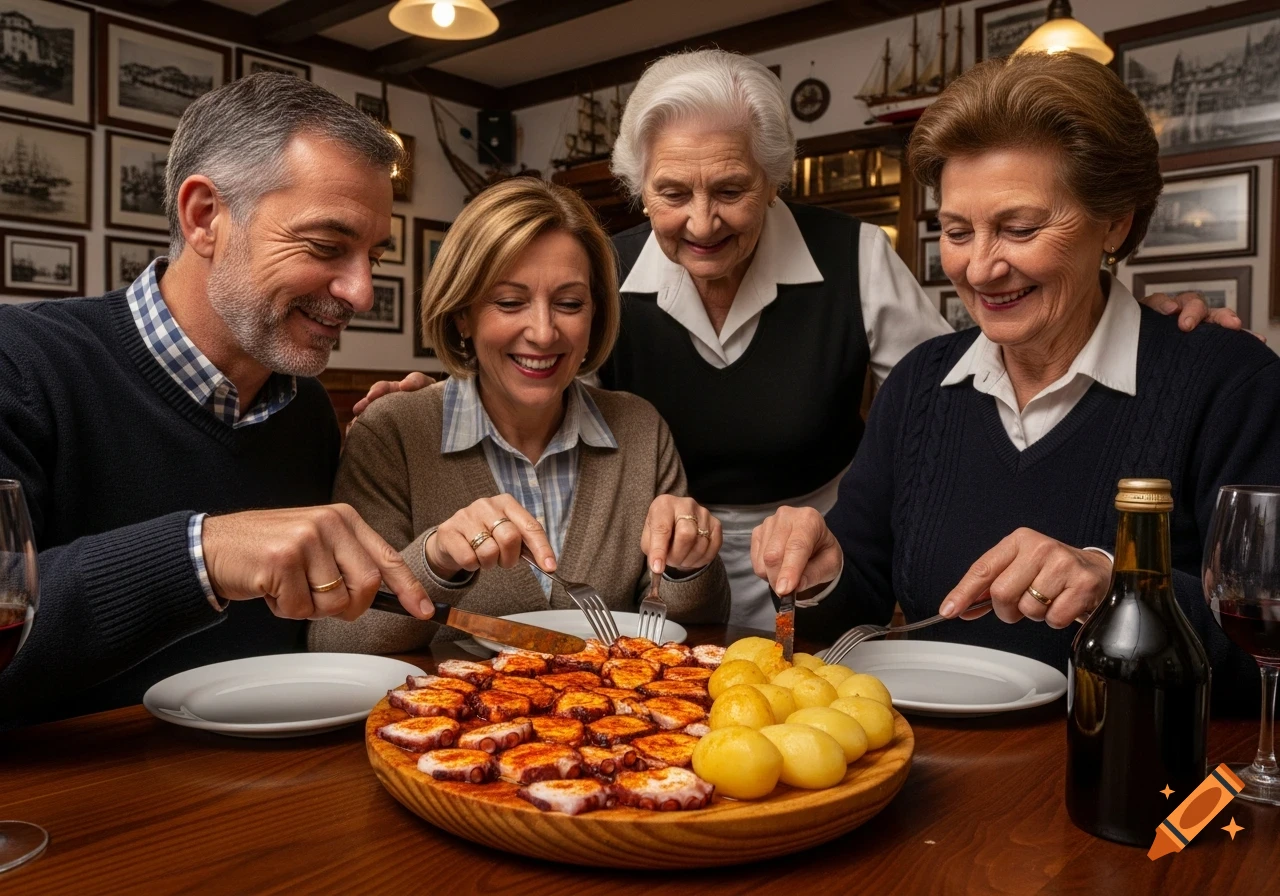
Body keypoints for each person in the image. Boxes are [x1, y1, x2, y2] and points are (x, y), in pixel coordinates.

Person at [357, 49, 1238, 631]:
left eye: (732, 190)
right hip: (655, 567)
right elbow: (533, 368)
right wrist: (442, 392)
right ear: (640, 191)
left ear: (774, 180)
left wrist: (1154, 326)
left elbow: (963, 371)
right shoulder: (596, 273)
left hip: (809, 547)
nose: (700, 222)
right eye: (671, 195)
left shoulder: (855, 259)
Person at [751, 52, 1277, 704]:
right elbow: (854, 598)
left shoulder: (1229, 383)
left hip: (1127, 779)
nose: (979, 268)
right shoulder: (920, 383)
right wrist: (820, 573)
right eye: (955, 231)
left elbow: (1265, 641)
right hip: (926, 770)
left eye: (1018, 228)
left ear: (1115, 220)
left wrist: (1117, 589)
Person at [0, 74, 434, 723]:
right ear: (205, 217)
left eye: (373, 254)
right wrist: (202, 554)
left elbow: (327, 629)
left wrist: (401, 447)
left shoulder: (307, 411)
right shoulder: (22, 363)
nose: (362, 293)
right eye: (326, 246)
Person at [310, 179, 729, 654]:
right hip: (448, 721)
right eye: (509, 302)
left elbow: (696, 629)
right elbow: (335, 639)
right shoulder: (391, 434)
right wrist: (437, 561)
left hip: (612, 723)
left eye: (570, 304)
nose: (544, 332)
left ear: (596, 314)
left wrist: (686, 565)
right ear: (462, 314)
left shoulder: (640, 428)